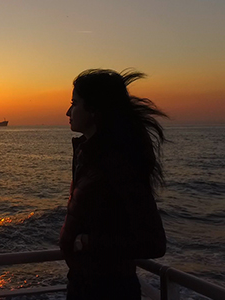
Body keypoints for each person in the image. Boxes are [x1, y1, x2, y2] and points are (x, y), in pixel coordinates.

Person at [59, 69, 167, 300]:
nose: (68, 111)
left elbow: (154, 242)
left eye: (75, 103)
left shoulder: (118, 164)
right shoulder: (88, 156)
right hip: (81, 284)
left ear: (95, 110)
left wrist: (89, 242)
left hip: (109, 291)